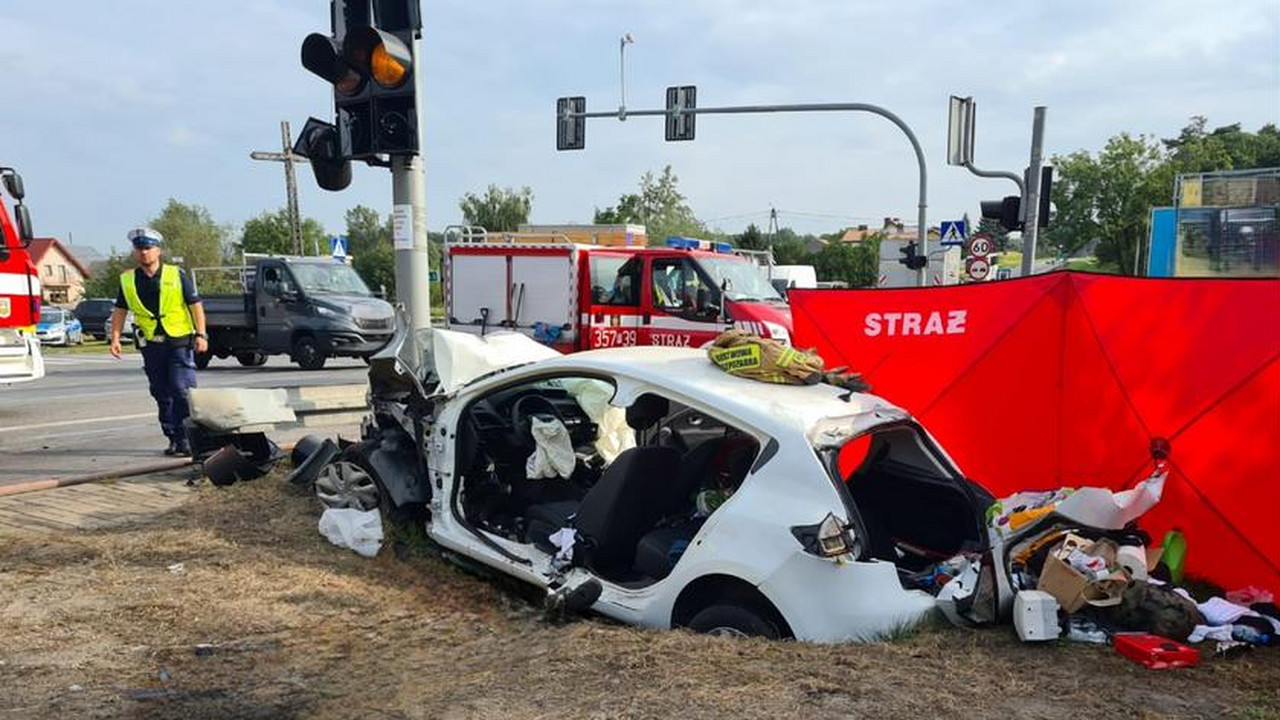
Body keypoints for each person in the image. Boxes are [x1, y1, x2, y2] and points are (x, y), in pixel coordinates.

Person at [109, 227, 209, 456]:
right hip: (151, 344)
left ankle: (187, 437)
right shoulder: (128, 280)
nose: (144, 253)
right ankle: (173, 437)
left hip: (179, 341)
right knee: (160, 392)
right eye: (139, 248)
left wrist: (201, 334)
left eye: (148, 248)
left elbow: (196, 306)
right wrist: (115, 337)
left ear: (158, 250)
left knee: (180, 389)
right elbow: (120, 310)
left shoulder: (175, 275)